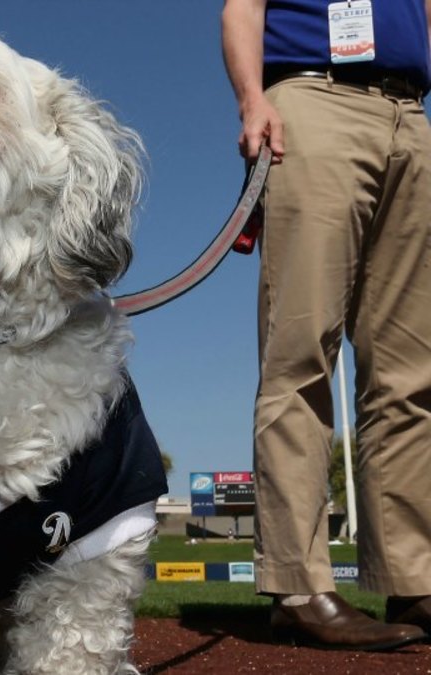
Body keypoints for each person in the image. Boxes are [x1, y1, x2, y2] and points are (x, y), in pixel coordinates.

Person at [222, 0, 431, 650]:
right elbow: (242, 6)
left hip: (411, 114)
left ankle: (416, 577)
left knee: (411, 374)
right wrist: (253, 97)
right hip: (314, 102)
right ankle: (298, 584)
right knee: (301, 352)